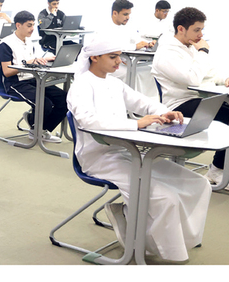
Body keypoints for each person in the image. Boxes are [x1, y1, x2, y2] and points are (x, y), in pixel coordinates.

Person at [67, 36, 210, 263]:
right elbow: (87, 121)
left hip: (129, 151)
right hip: (99, 158)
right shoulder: (81, 86)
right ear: (94, 57)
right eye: (113, 57)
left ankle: (180, 239)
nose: (119, 61)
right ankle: (151, 240)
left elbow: (142, 102)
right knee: (166, 198)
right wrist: (136, 124)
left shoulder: (114, 83)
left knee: (199, 183)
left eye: (119, 56)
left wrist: (163, 112)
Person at [151, 7, 229, 185]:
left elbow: (209, 73)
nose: (201, 35)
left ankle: (221, 168)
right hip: (178, 106)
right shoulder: (167, 53)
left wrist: (224, 79)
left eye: (202, 29)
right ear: (181, 29)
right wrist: (203, 52)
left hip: (197, 99)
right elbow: (192, 78)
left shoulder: (190, 47)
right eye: (197, 30)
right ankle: (217, 171)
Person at [0, 10, 66, 143]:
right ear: (18, 25)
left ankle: (40, 128)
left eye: (33, 25)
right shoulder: (6, 44)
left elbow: (31, 60)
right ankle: (35, 128)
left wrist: (44, 59)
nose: (33, 28)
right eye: (29, 25)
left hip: (33, 79)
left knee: (64, 99)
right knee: (44, 103)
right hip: (15, 83)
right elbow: (6, 71)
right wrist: (28, 63)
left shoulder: (29, 41)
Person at [105, 0, 157, 98]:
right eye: (125, 14)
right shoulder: (105, 28)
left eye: (129, 14)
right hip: (110, 64)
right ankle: (132, 104)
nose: (128, 17)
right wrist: (135, 46)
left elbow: (137, 39)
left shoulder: (126, 27)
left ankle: (148, 103)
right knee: (132, 73)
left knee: (149, 70)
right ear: (115, 13)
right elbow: (111, 47)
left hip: (126, 62)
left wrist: (148, 43)